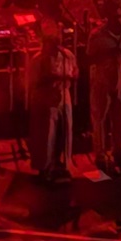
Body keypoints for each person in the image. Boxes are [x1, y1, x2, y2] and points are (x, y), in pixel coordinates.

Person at [87, 1, 121, 175]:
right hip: (102, 80)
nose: (120, 20)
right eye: (116, 17)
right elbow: (89, 58)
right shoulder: (97, 35)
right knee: (100, 118)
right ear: (108, 17)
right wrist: (108, 53)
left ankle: (119, 151)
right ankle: (101, 155)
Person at [27, 28, 78, 183]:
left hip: (63, 95)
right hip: (45, 98)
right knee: (46, 134)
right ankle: (45, 168)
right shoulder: (38, 59)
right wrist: (53, 78)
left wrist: (71, 76)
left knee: (65, 130)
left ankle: (63, 164)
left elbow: (75, 70)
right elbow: (34, 82)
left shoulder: (67, 55)